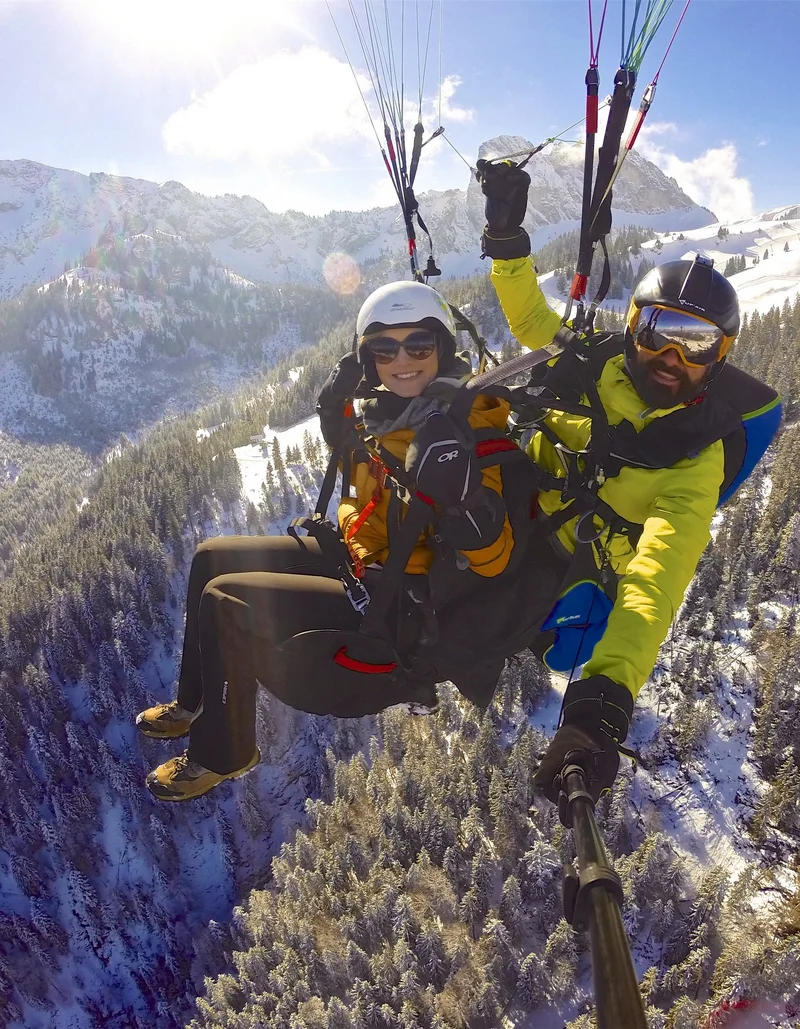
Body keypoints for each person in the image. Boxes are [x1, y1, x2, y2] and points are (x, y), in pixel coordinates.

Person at [136, 280, 565, 802]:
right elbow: (360, 482)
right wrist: (336, 418)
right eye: (384, 349)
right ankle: (193, 703)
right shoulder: (390, 416)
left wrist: (464, 502)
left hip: (402, 605)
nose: (401, 360)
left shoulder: (467, 432)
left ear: (443, 350)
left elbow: (493, 562)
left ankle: (224, 752)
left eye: (419, 346)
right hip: (363, 559)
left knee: (226, 602)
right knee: (210, 559)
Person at [476, 158, 780, 806]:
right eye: (660, 331)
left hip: (578, 555)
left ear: (719, 357)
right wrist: (506, 240)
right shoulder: (596, 361)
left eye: (694, 343)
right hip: (529, 495)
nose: (672, 358)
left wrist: (602, 704)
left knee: (537, 636)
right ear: (634, 324)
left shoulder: (696, 458)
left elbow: (657, 577)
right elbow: (534, 322)